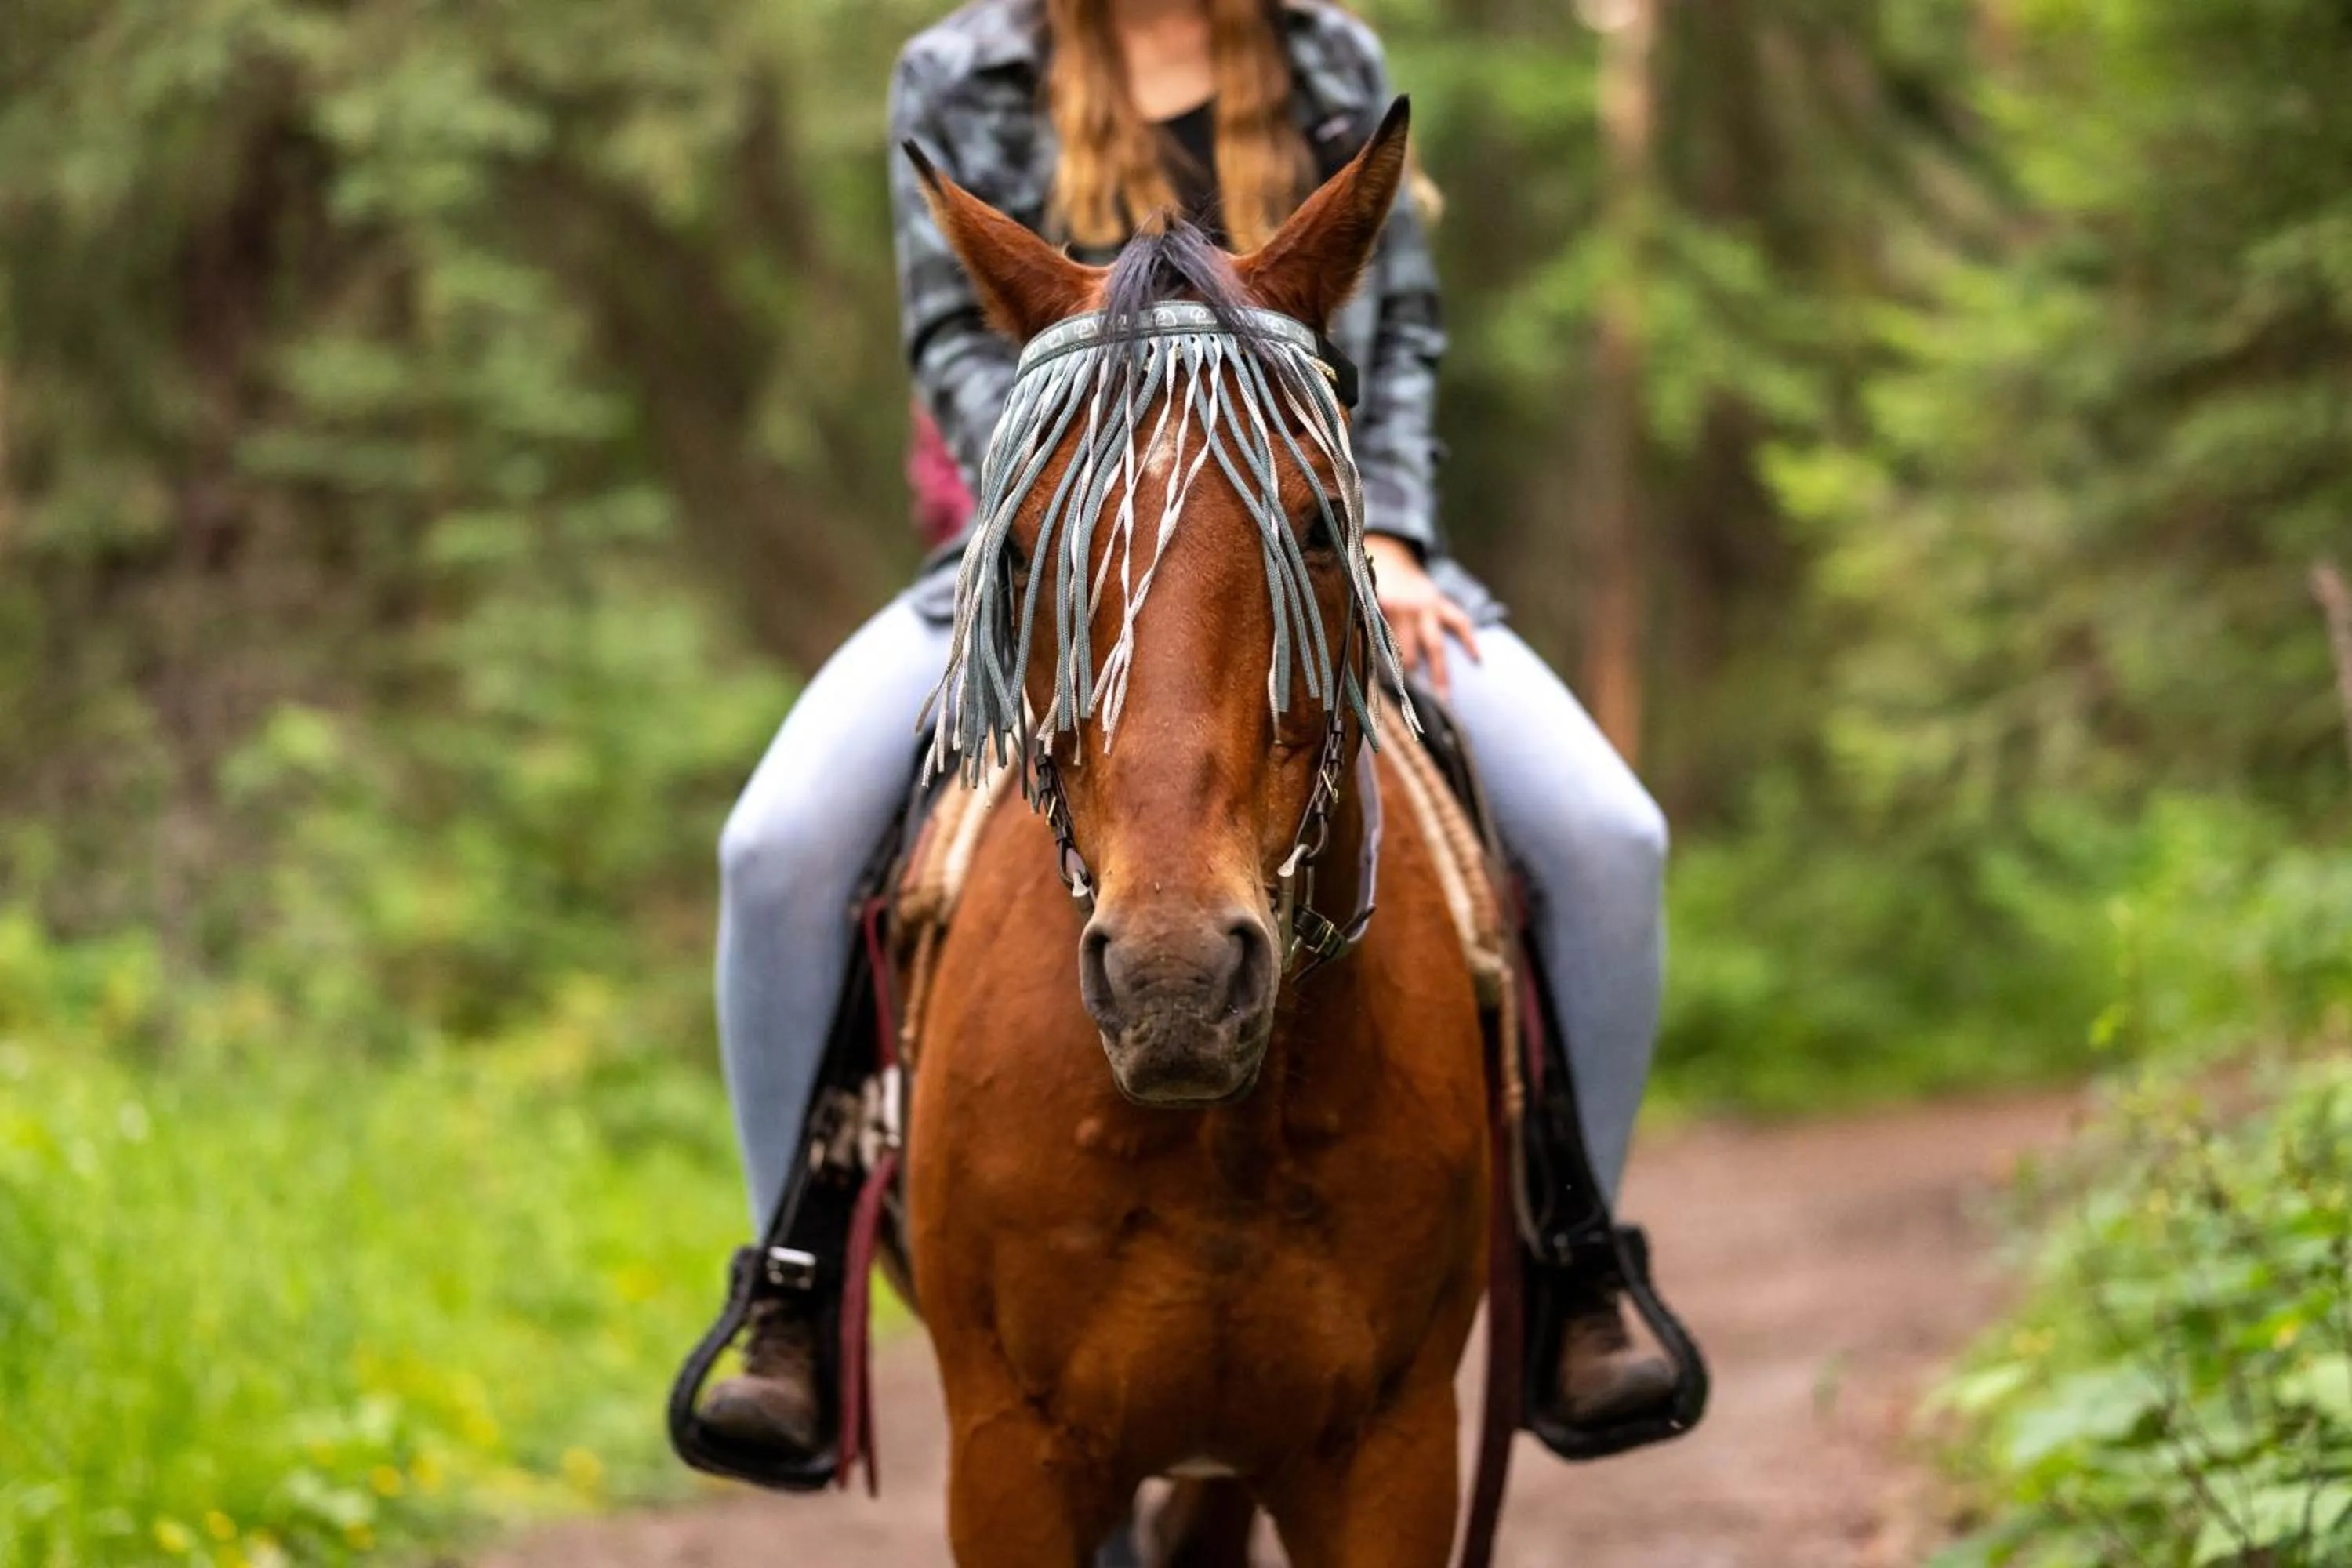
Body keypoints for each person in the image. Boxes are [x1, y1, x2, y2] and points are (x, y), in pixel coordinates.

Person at [699, 0, 1676, 1462]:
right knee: (774, 848)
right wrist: (1071, 512)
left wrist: (1391, 535)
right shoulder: (960, 72)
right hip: (1046, 553)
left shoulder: (1332, 60)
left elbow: (1395, 333)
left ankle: (1575, 1261)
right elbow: (955, 353)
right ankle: (793, 1280)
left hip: (1305, 546)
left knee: (1609, 839)